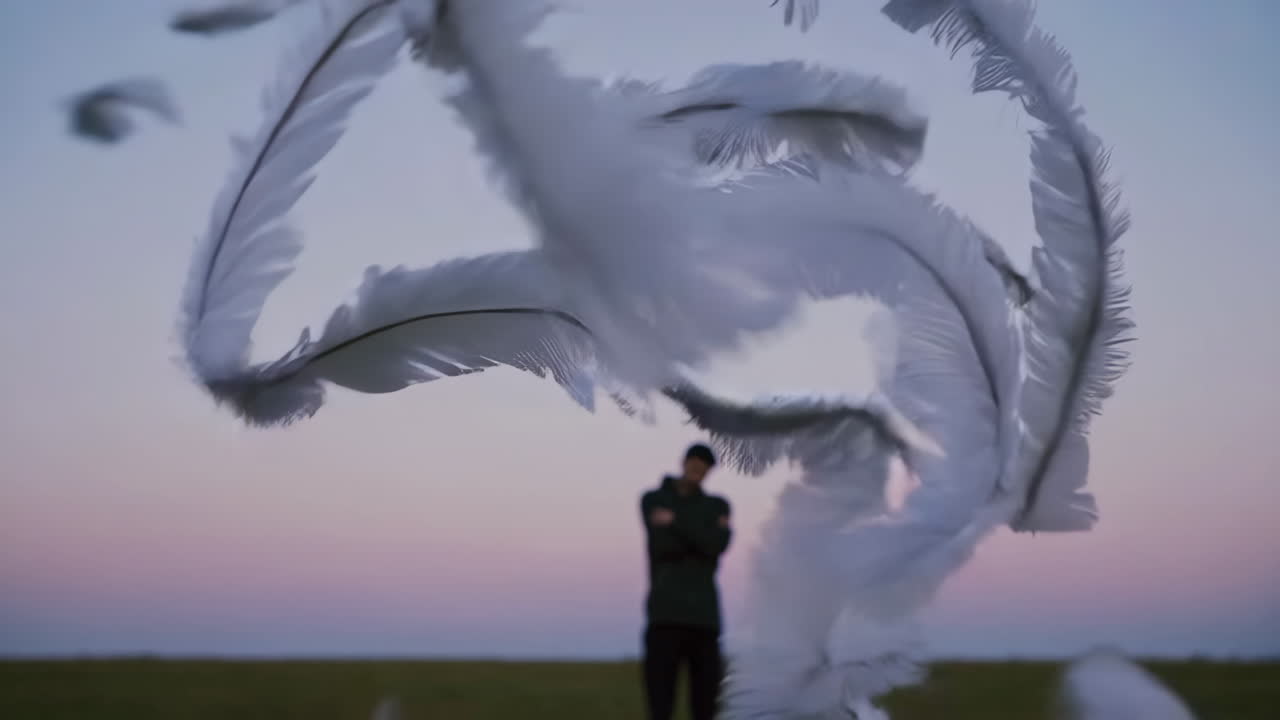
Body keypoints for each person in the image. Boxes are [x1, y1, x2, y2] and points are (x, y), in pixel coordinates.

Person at [639, 443, 732, 720]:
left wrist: (674, 521)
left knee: (706, 707)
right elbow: (662, 545)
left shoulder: (718, 504)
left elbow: (716, 545)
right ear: (684, 463)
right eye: (694, 465)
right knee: (660, 706)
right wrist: (702, 531)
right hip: (664, 615)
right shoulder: (653, 499)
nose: (698, 472)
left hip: (704, 620)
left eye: (704, 468)